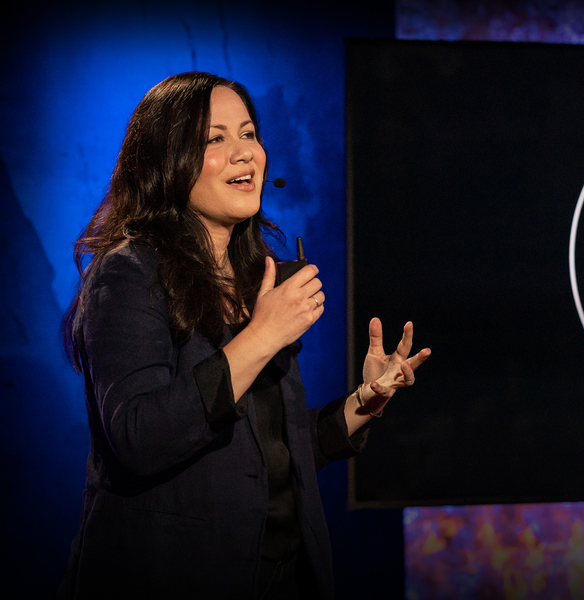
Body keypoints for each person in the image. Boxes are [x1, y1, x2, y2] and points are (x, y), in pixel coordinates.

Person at [58, 72, 430, 600]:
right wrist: (262, 335)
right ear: (167, 161)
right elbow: (140, 436)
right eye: (215, 139)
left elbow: (265, 452)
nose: (244, 153)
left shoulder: (256, 276)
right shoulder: (128, 272)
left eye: (249, 134)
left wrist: (364, 401)